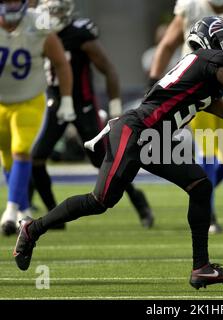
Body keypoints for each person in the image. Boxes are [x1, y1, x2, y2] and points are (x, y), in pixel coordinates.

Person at [13, 16, 223, 289]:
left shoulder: (204, 72)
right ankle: (32, 230)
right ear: (212, 43)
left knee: (200, 186)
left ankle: (201, 268)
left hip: (154, 138)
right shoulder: (206, 61)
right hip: (135, 130)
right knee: (100, 200)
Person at [30, 0, 154, 230]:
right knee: (36, 156)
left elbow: (108, 69)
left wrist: (116, 106)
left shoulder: (79, 34)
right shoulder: (37, 32)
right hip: (54, 102)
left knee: (105, 161)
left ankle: (139, 200)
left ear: (67, 13)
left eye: (56, 11)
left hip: (83, 105)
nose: (51, 16)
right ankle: (53, 216)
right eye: (48, 12)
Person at [149, 0, 223, 234]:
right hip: (196, 90)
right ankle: (208, 214)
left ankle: (199, 192)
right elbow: (168, 44)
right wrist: (154, 83)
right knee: (207, 153)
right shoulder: (191, 7)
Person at [0, 0, 73, 235]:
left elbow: (61, 63)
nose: (11, 6)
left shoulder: (39, 23)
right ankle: (22, 211)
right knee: (6, 157)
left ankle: (10, 212)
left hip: (30, 100)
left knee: (21, 150)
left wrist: (67, 99)